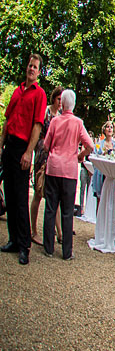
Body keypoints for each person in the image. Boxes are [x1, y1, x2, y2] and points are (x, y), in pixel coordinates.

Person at [1, 53, 48, 265]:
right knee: (9, 195)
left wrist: (29, 152)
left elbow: (37, 125)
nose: (31, 69)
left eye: (35, 67)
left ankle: (24, 246)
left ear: (39, 72)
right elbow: (7, 119)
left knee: (20, 198)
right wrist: (0, 144)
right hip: (9, 145)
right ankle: (13, 239)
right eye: (30, 65)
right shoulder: (17, 91)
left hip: (22, 147)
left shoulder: (39, 94)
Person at [41, 89, 93, 260]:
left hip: (54, 168)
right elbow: (90, 146)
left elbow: (46, 145)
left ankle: (48, 248)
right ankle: (67, 252)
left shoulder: (55, 121)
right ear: (74, 104)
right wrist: (80, 155)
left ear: (61, 103)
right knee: (67, 211)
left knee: (50, 208)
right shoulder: (78, 123)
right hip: (70, 170)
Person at [30, 86, 62, 244]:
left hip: (55, 157)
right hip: (42, 155)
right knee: (38, 192)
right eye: (58, 99)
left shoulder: (61, 116)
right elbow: (36, 132)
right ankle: (33, 230)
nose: (60, 102)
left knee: (54, 195)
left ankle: (60, 232)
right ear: (54, 98)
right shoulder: (46, 112)